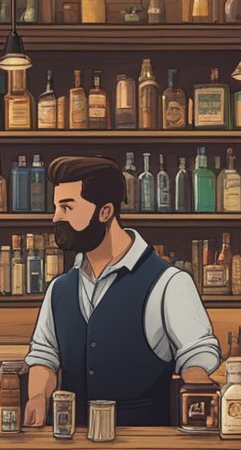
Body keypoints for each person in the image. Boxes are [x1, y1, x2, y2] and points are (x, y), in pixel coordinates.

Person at [22, 155, 220, 427]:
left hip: (145, 449)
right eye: (56, 207)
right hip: (75, 446)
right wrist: (37, 397)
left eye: (67, 207)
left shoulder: (169, 283)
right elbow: (45, 357)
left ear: (105, 212)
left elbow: (197, 355)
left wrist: (198, 389)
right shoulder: (59, 289)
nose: (56, 217)